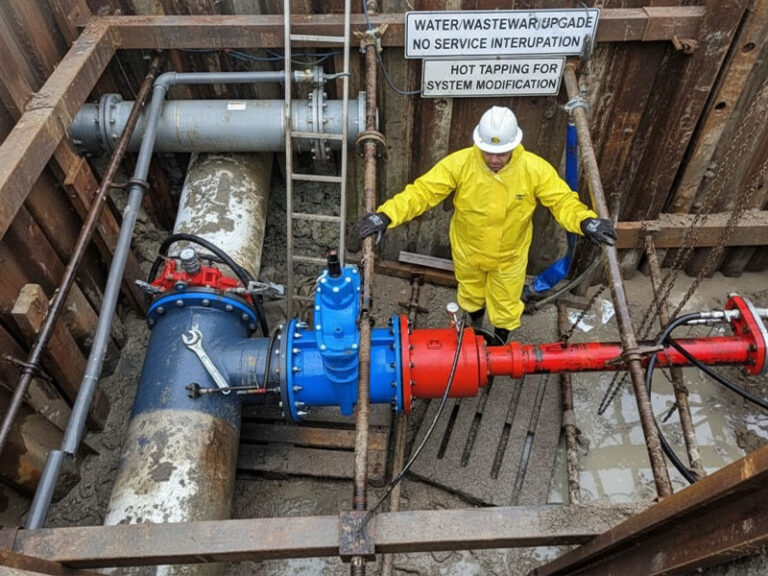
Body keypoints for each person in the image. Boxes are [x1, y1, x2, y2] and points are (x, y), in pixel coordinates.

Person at [360, 106, 616, 343]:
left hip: (509, 258)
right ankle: (475, 330)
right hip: (468, 253)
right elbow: (422, 192)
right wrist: (386, 215)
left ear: (514, 145)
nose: (495, 159)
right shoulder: (460, 164)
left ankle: (500, 341)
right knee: (471, 297)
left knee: (505, 308)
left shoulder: (534, 169)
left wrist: (586, 221)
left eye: (501, 153)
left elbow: (561, 200)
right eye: (489, 152)